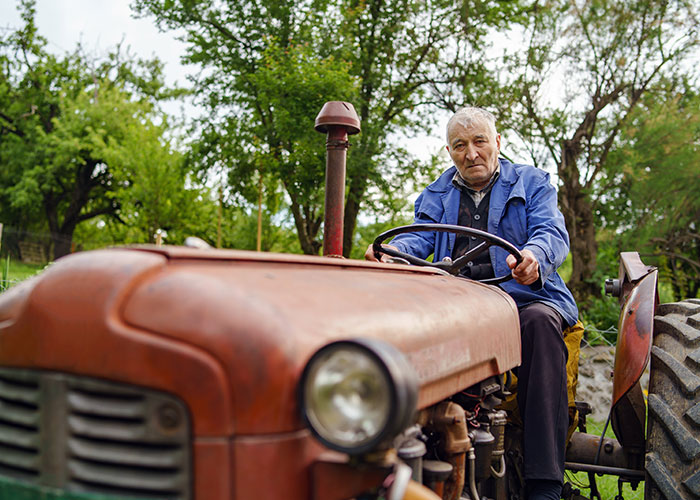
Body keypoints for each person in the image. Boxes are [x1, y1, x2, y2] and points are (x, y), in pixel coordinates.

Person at [364, 106, 578, 500]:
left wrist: (533, 257)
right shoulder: (436, 193)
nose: (471, 153)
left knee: (541, 325)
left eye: (480, 141)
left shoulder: (532, 182)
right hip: (458, 303)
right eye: (460, 145)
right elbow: (419, 239)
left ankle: (545, 481)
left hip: (522, 298)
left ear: (497, 143)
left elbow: (550, 232)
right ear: (450, 152)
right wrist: (393, 252)